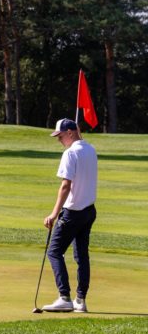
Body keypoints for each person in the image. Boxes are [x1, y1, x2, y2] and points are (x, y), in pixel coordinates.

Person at [42, 118, 97, 313]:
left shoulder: (70, 153)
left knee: (54, 251)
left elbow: (66, 185)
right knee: (81, 255)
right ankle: (80, 300)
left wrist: (54, 213)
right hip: (89, 211)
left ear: (71, 133)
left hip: (72, 212)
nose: (59, 140)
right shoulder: (91, 149)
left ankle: (64, 297)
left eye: (60, 136)